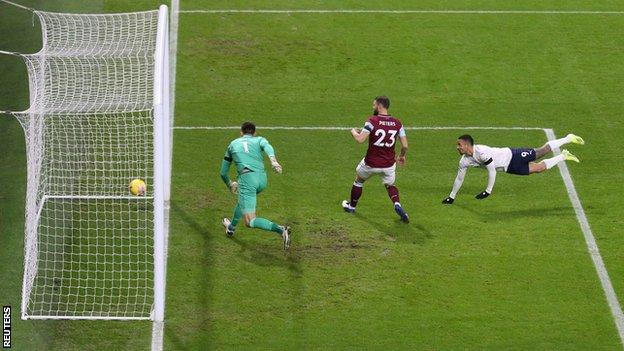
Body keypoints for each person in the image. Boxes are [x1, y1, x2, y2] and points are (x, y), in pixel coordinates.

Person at [442, 133, 584, 204]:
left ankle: (568, 138)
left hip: (513, 155)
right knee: (539, 168)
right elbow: (459, 178)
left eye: (459, 144)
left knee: (541, 151)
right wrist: (451, 197)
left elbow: (491, 170)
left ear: (467, 145)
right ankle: (564, 156)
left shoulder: (481, 153)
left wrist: (488, 191)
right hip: (509, 168)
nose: (457, 147)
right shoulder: (464, 161)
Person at [220, 122, 291, 249]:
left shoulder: (232, 144)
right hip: (262, 180)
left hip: (247, 180)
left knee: (250, 221)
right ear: (255, 132)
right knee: (243, 200)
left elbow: (223, 172)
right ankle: (230, 228)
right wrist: (274, 162)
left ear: (241, 132)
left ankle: (281, 230)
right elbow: (267, 147)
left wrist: (230, 184)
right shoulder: (260, 139)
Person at [341, 96, 410, 223]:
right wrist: (401, 156)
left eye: (374, 105)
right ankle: (397, 204)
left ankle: (351, 207)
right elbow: (405, 145)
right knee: (390, 185)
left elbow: (360, 139)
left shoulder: (372, 121)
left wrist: (353, 132)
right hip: (388, 165)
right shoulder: (397, 123)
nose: (373, 107)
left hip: (370, 164)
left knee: (359, 180)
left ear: (379, 106)